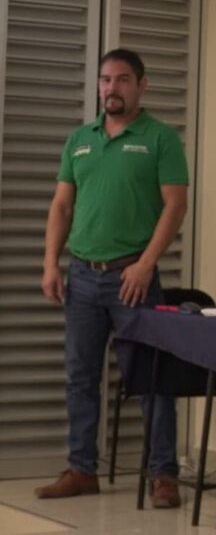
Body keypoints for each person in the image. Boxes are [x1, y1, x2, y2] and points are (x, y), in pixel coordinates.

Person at [35, 49, 189, 508]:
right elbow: (62, 206)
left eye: (122, 79)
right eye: (105, 80)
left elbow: (175, 206)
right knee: (80, 377)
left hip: (133, 277)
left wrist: (145, 264)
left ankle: (164, 476)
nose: (111, 88)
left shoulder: (160, 139)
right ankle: (82, 469)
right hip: (82, 277)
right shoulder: (80, 139)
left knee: (150, 378)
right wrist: (50, 263)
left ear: (141, 85)